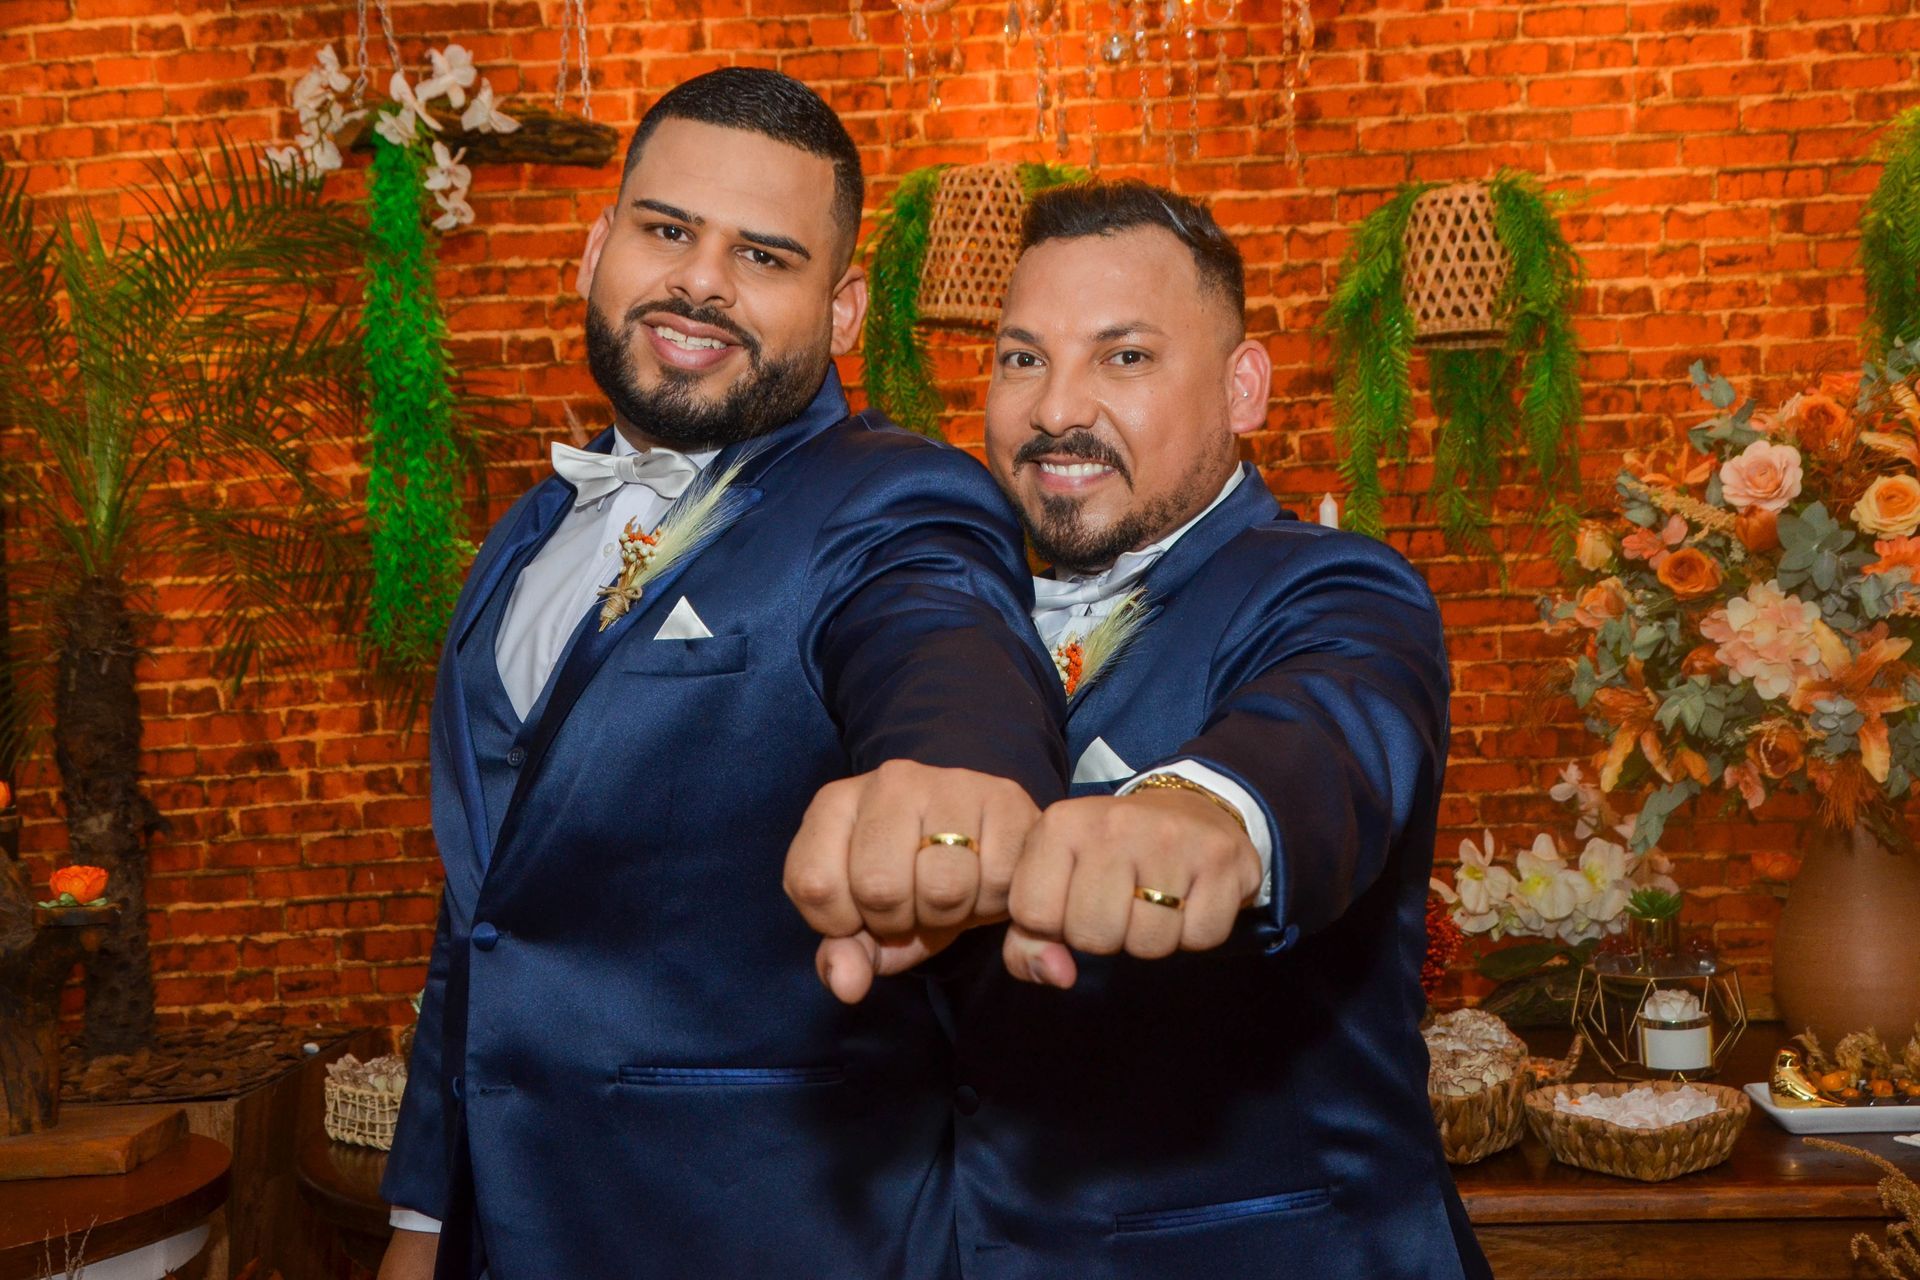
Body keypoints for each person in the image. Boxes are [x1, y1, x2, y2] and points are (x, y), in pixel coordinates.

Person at [377, 68, 1064, 1280]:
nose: (700, 280)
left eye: (765, 255)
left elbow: (940, 640)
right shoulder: (523, 538)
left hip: (766, 1236)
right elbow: (483, 919)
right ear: (600, 248)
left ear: (843, 310)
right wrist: (422, 1221)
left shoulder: (893, 500)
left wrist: (962, 781)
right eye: (667, 230)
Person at [790, 182, 1491, 1278]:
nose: (1057, 408)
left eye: (1124, 358)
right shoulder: (933, 613)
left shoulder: (1332, 587)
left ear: (1243, 386)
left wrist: (1208, 810)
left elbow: (1334, 727)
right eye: (1023, 358)